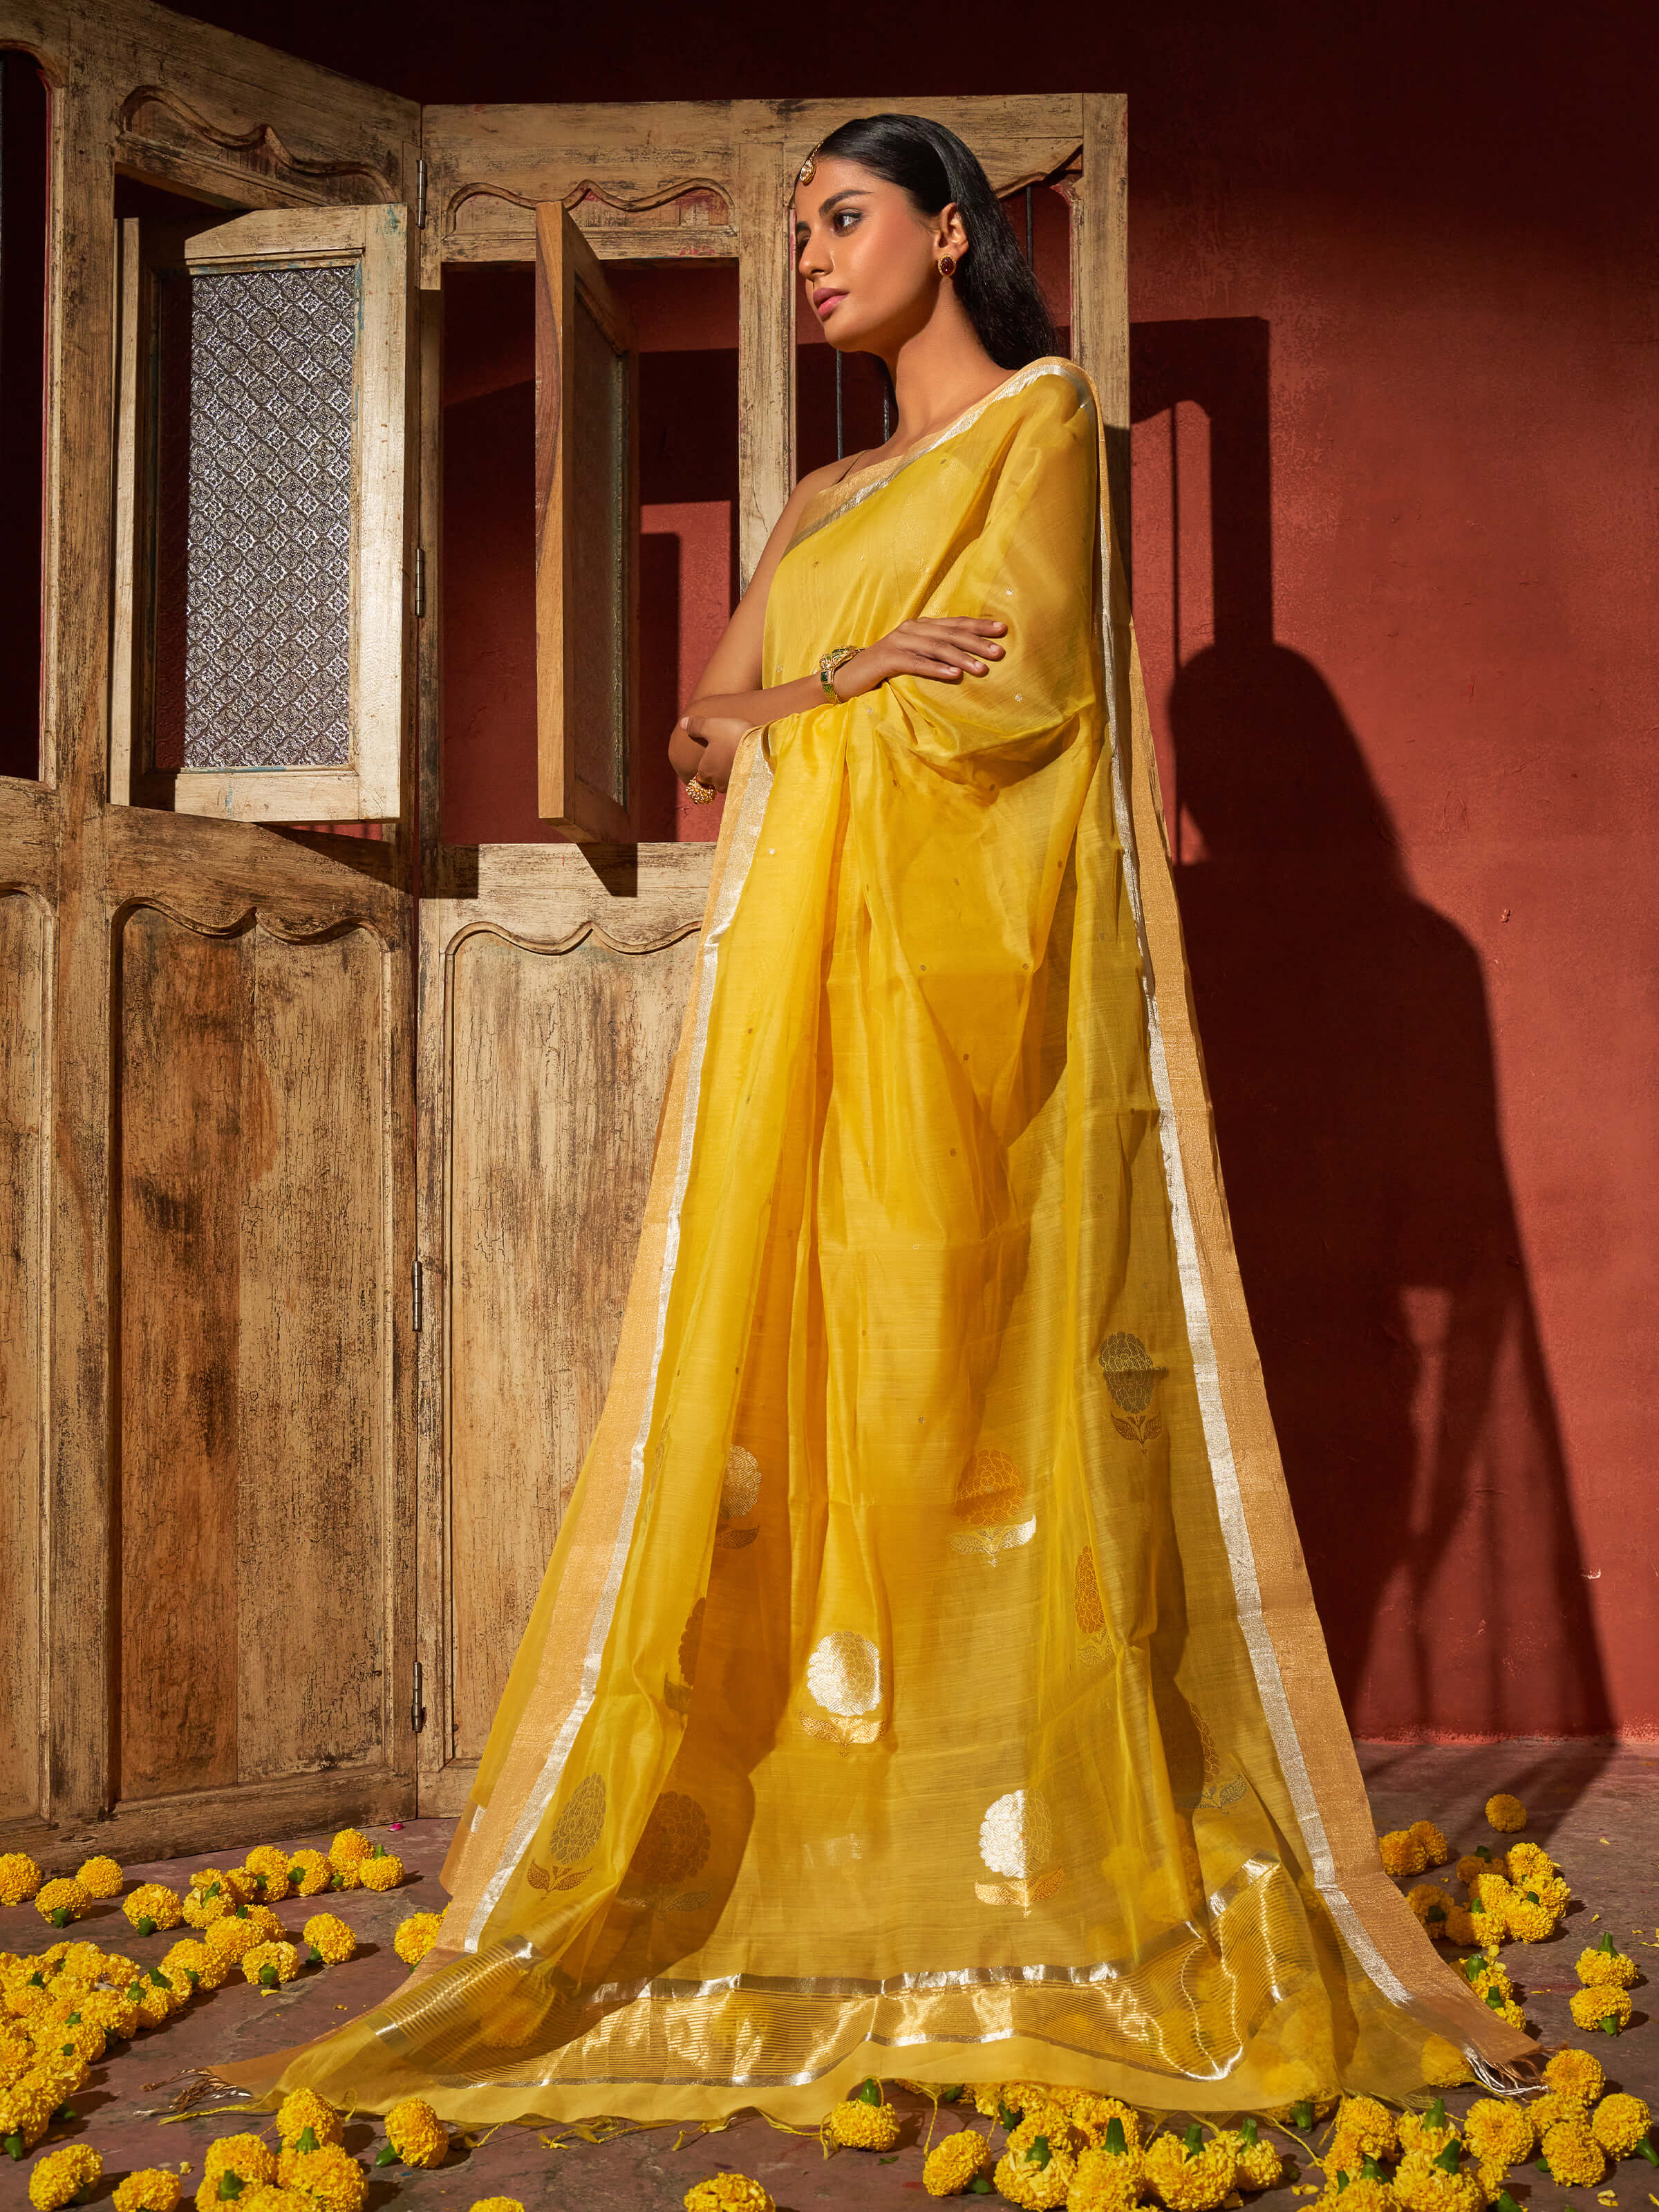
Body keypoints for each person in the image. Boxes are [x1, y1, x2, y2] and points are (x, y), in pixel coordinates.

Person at [218, 113, 1538, 2128]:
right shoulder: (829, 485)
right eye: (800, 230)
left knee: (968, 1430)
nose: (815, 258)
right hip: (802, 1027)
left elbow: (1017, 708)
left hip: (974, 1040)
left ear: (949, 229)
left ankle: (1010, 1870)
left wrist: (827, 712)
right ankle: (825, 1847)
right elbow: (698, 724)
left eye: (842, 220)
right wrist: (834, 676)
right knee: (804, 1418)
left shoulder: (1040, 426)